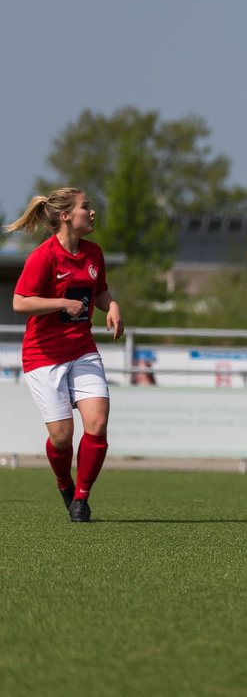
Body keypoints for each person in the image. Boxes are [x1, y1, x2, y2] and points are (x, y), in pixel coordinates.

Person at [6, 188, 123, 523]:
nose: (93, 212)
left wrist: (112, 306)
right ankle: (63, 483)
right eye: (86, 207)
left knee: (98, 423)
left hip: (82, 350)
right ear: (65, 216)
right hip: (44, 356)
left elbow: (99, 290)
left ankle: (82, 499)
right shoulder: (44, 257)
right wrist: (60, 303)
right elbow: (20, 302)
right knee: (61, 438)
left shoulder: (93, 253)